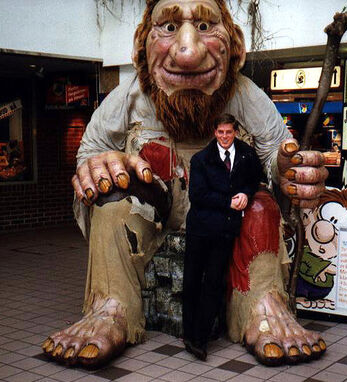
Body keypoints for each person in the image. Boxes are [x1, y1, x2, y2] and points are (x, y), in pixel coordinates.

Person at [42, 0, 328, 368]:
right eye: (169, 27)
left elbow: (275, 153)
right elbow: (91, 153)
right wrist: (99, 168)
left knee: (260, 208)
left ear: (235, 46)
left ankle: (261, 305)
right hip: (150, 209)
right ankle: (110, 305)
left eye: (206, 27)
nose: (189, 52)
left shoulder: (244, 94)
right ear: (141, 46)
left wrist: (288, 168)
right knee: (110, 205)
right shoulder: (129, 96)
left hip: (219, 213)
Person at [183, 113, 263, 360]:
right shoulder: (200, 159)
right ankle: (189, 333)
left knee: (215, 282)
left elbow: (254, 179)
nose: (225, 137)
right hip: (200, 229)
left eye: (229, 132)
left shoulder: (247, 155)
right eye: (220, 133)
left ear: (235, 132)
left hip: (225, 232)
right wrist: (229, 202)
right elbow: (197, 195)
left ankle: (201, 338)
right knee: (193, 281)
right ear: (214, 133)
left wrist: (247, 194)